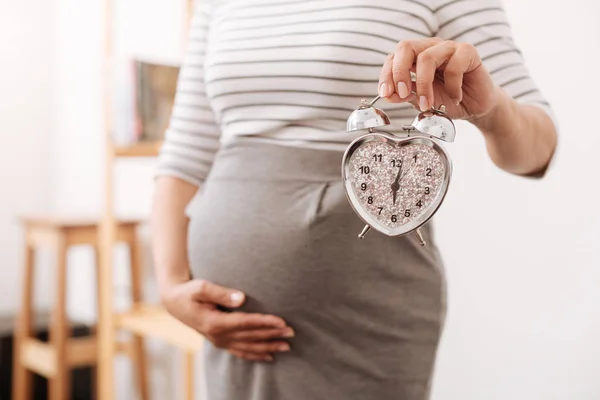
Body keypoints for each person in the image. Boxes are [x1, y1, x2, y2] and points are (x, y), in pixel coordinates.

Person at [151, 0, 557, 399]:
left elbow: (538, 153)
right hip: (234, 326)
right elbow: (186, 149)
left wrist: (491, 110)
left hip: (364, 318)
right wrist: (169, 284)